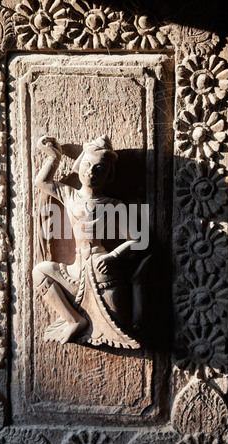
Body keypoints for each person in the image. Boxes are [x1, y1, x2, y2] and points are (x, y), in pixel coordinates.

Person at [32, 135, 147, 349]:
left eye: (99, 169)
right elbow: (42, 182)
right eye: (86, 165)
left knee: (117, 325)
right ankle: (74, 320)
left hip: (101, 266)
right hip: (76, 268)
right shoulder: (69, 195)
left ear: (108, 174)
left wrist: (114, 255)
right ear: (79, 165)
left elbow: (139, 239)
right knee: (40, 271)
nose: (90, 172)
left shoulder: (113, 204)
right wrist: (54, 158)